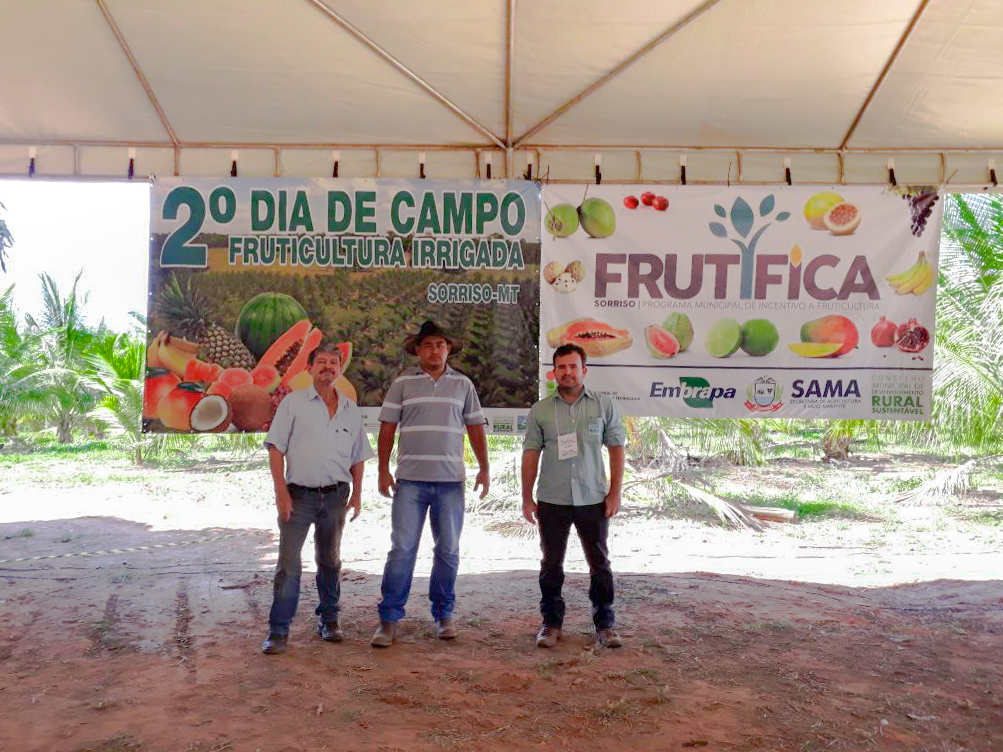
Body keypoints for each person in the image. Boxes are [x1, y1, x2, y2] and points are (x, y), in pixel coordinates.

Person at [371, 320, 489, 647]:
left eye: (440, 345)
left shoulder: (463, 385)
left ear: (448, 349)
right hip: (409, 482)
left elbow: (476, 428)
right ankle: (389, 619)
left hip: (451, 483)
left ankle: (443, 614)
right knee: (402, 550)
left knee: (448, 550)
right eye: (428, 345)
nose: (435, 350)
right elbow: (387, 430)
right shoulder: (402, 384)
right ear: (418, 351)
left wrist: (484, 468)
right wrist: (383, 469)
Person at [260, 341, 374, 655]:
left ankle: (330, 620)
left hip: (337, 496)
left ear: (340, 369)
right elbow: (276, 449)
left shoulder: (351, 409)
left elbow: (358, 456)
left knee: (329, 561)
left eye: (333, 363)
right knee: (288, 565)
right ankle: (279, 631)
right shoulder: (293, 404)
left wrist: (358, 494)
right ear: (309, 368)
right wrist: (281, 492)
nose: (327, 367)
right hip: (298, 497)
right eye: (321, 362)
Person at [521, 343, 626, 649]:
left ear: (584, 370)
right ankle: (551, 624)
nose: (567, 372)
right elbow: (530, 455)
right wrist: (527, 498)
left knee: (599, 563)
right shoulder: (541, 410)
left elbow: (617, 449)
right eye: (561, 367)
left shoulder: (603, 406)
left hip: (594, 499)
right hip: (552, 499)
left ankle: (605, 625)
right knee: (551, 564)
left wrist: (614, 493)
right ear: (553, 372)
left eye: (573, 366)